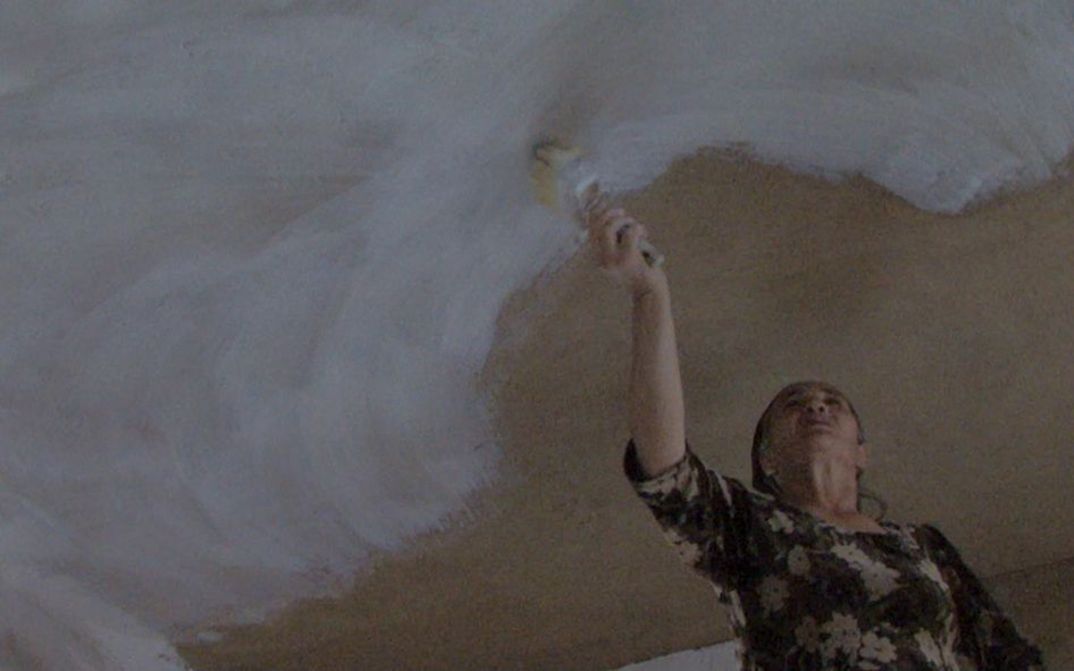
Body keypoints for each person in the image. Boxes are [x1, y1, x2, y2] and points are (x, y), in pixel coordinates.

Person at [585, 202, 1047, 670]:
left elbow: (1010, 657)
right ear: (767, 458)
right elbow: (664, 467)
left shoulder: (923, 546)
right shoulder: (750, 528)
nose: (816, 407)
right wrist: (650, 293)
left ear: (861, 453)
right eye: (794, 404)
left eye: (833, 402)